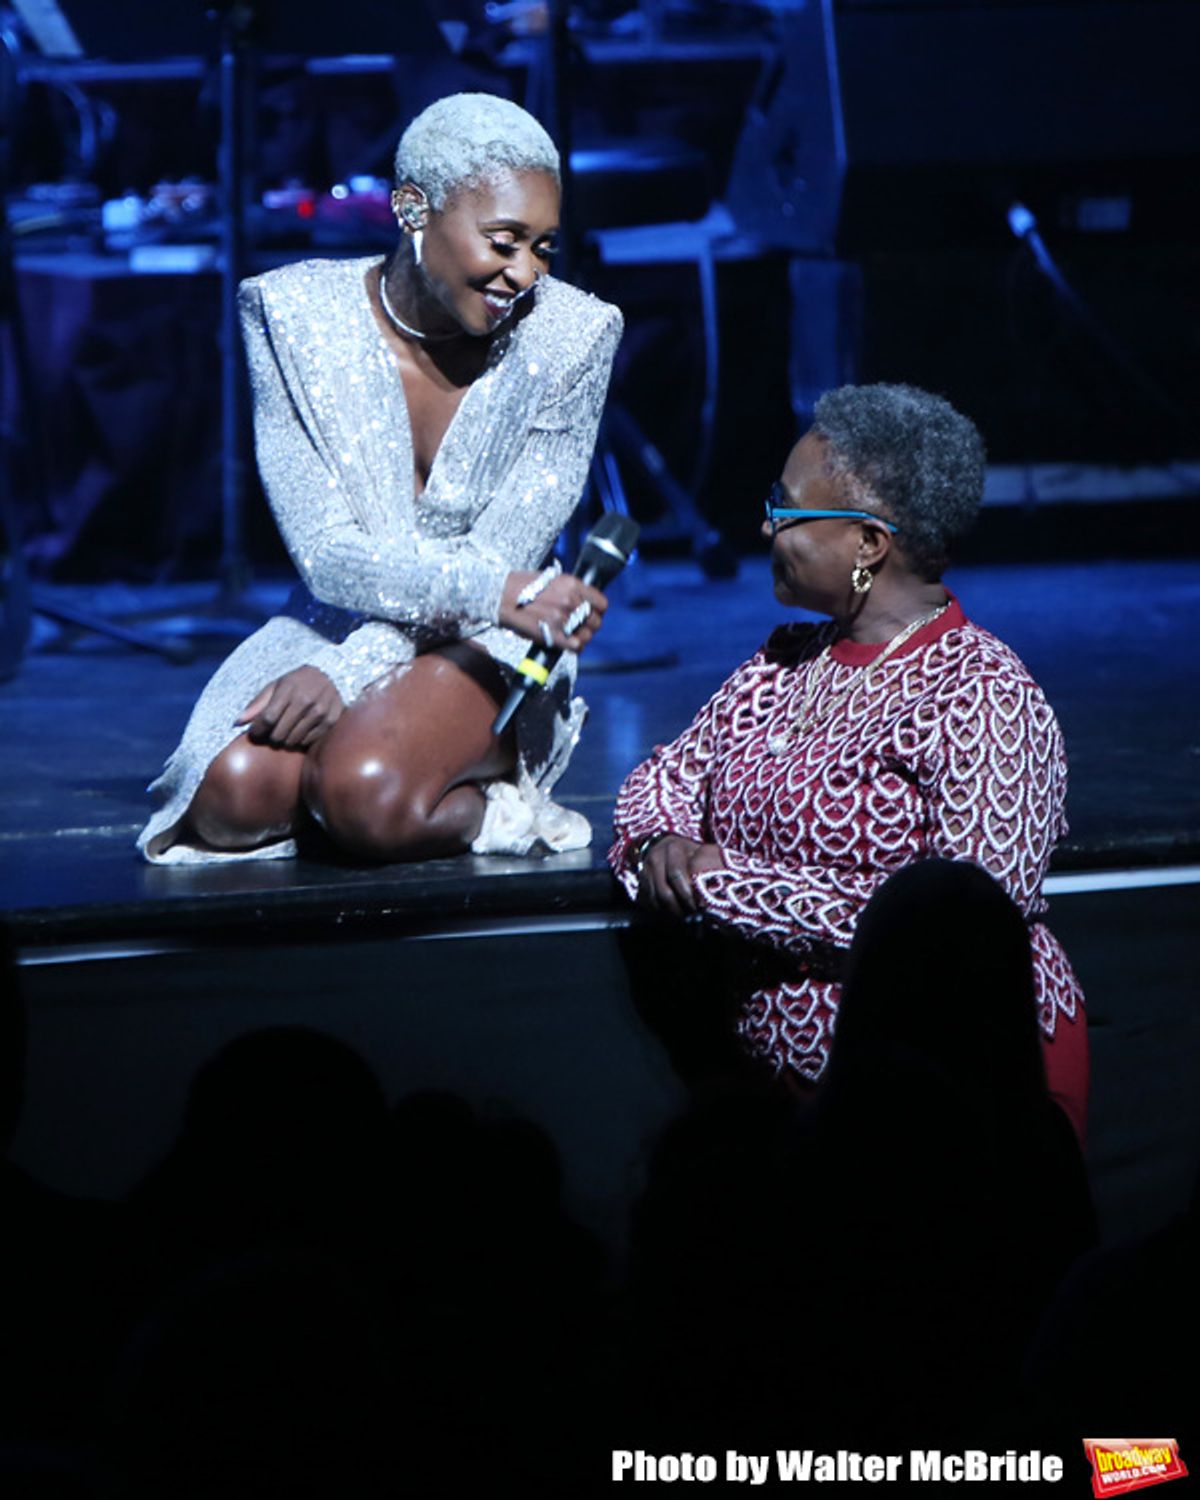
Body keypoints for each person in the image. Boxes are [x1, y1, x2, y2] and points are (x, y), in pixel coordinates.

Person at [139, 93, 622, 864]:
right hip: (344, 608)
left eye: (544, 247)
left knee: (363, 792)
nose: (525, 273)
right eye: (503, 242)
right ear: (411, 210)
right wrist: (345, 660)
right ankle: (374, 768)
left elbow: (507, 559)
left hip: (500, 633)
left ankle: (492, 809)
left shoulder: (575, 336)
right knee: (230, 799)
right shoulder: (290, 315)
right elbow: (327, 553)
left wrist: (347, 674)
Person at [609, 383, 1088, 1139]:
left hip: (950, 1095)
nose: (767, 523)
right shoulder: (788, 661)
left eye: (788, 509)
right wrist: (661, 844)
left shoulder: (984, 695)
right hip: (787, 1101)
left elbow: (961, 924)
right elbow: (664, 777)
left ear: (869, 544)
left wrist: (720, 885)